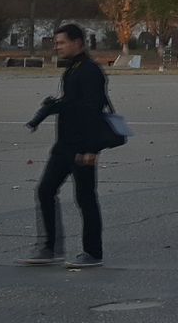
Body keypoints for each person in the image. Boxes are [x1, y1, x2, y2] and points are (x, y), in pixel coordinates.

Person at [20, 23, 114, 268]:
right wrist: (53, 107)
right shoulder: (73, 69)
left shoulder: (90, 71)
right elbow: (73, 103)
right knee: (45, 190)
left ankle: (93, 253)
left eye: (62, 42)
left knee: (85, 198)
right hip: (64, 146)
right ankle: (49, 248)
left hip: (81, 147)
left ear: (78, 43)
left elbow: (93, 111)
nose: (57, 47)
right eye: (57, 43)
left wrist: (91, 150)